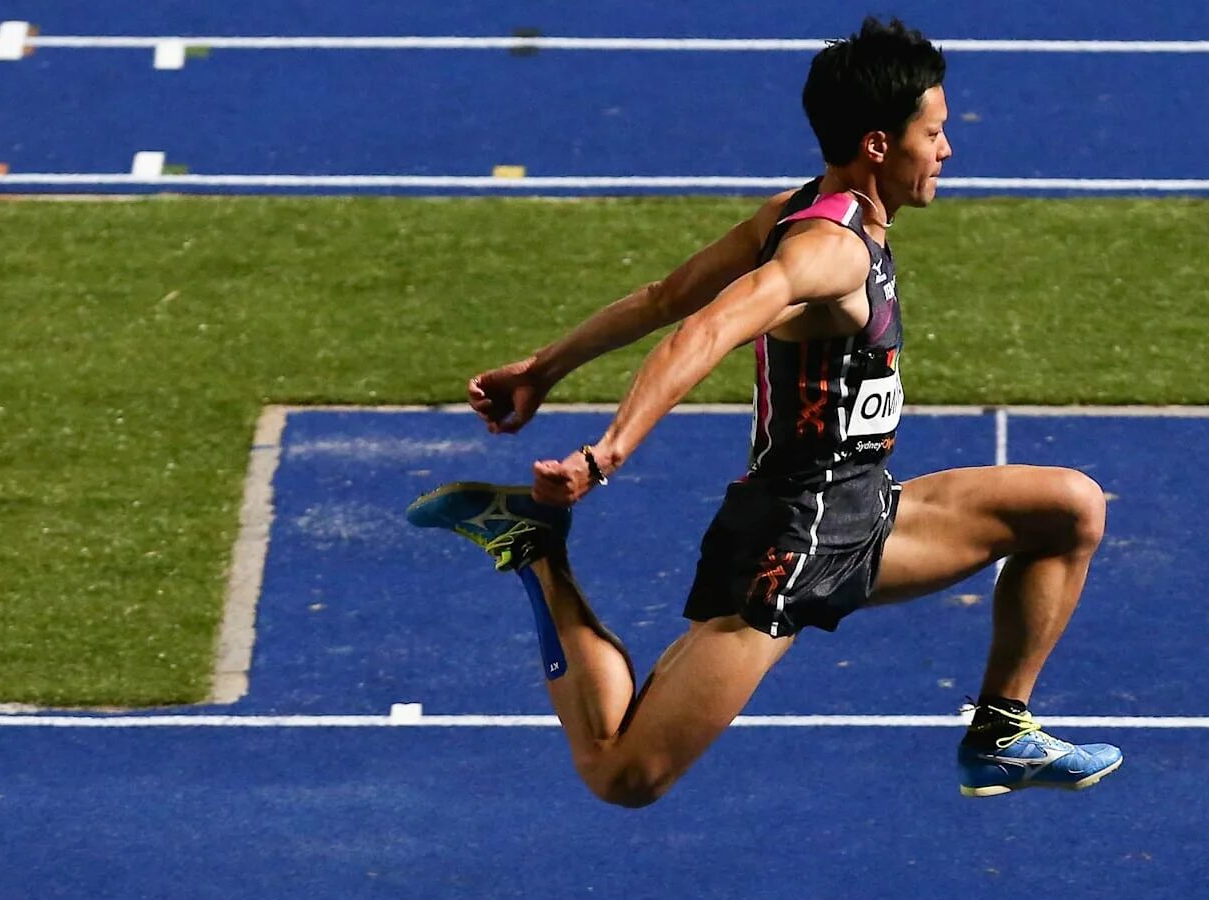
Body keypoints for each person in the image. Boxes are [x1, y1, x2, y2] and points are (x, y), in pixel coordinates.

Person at [407, 16, 1122, 807]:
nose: (947, 149)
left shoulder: (809, 208)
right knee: (624, 774)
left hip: (863, 508)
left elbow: (662, 295)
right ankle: (536, 551)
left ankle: (999, 732)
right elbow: (703, 324)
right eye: (935, 132)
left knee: (1069, 508)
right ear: (881, 144)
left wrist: (541, 370)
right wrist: (603, 454)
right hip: (793, 542)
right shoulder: (827, 249)